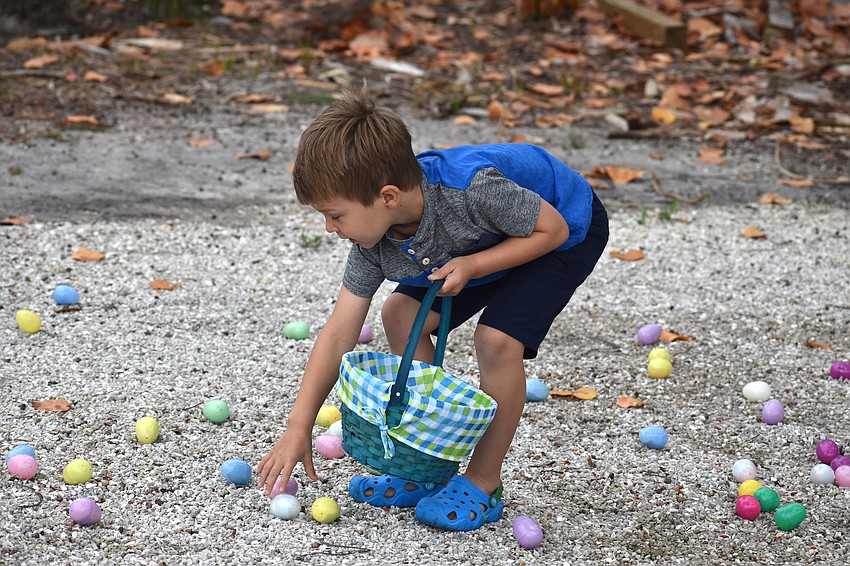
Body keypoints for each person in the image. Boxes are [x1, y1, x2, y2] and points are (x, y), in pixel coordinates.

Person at [257, 80, 609, 531]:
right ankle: (422, 460)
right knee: (399, 313)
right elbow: (339, 332)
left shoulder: (471, 190)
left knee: (496, 340)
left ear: (387, 197)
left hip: (561, 227)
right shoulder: (374, 244)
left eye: (336, 214)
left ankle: (484, 481)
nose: (329, 228)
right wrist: (297, 426)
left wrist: (476, 264)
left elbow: (552, 231)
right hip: (486, 240)